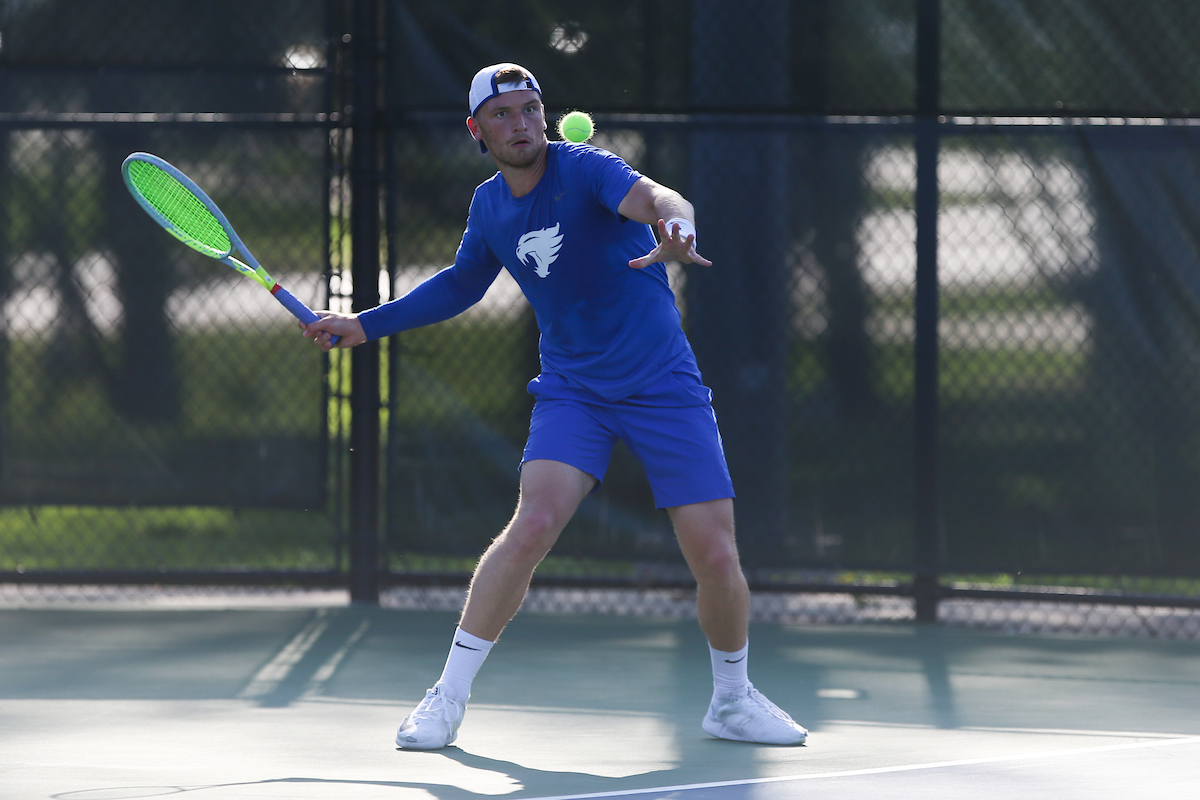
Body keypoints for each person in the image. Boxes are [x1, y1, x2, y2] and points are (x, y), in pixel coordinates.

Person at [302, 63, 808, 750]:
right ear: (477, 130)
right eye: (504, 114)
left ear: (546, 116)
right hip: (575, 389)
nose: (522, 123)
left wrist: (678, 226)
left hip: (663, 384)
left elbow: (659, 198)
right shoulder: (489, 207)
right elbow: (460, 285)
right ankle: (445, 700)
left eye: (531, 109)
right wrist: (365, 324)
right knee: (533, 522)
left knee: (717, 557)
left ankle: (733, 699)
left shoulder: (587, 171)